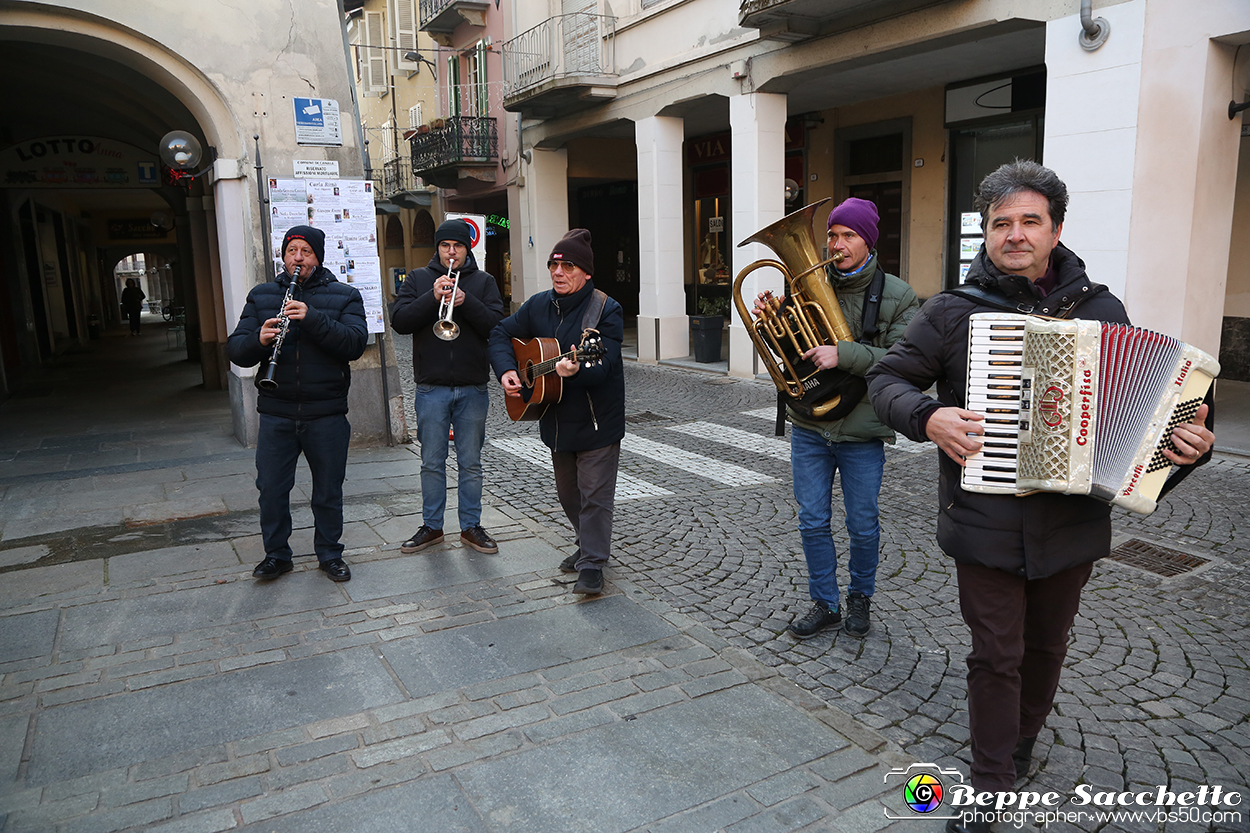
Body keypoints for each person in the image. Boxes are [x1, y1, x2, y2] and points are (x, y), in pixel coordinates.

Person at [865, 161, 1214, 833]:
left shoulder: (1104, 311)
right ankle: (993, 781)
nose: (1015, 234)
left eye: (1030, 221)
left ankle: (1020, 739)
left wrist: (1184, 447)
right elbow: (887, 380)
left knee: (1047, 648)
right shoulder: (951, 313)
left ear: (1056, 229)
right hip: (984, 521)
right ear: (985, 232)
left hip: (1073, 522)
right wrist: (928, 417)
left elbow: (1154, 414)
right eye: (1002, 223)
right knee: (995, 653)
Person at [754, 198, 919, 639]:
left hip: (862, 430)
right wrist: (772, 322)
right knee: (811, 520)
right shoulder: (803, 285)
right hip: (811, 426)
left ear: (868, 240)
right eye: (832, 234)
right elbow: (793, 355)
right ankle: (825, 602)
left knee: (862, 523)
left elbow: (905, 362)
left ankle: (860, 597)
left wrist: (842, 353)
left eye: (848, 235)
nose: (837, 244)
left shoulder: (899, 295)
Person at [227, 225, 368, 583]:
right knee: (271, 489)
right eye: (292, 251)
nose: (298, 258)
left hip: (327, 412)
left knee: (328, 489)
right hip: (277, 411)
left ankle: (330, 554)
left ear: (317, 257)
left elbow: (354, 344)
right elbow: (236, 350)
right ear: (283, 256)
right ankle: (277, 555)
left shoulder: (345, 295)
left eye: (305, 251)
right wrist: (258, 340)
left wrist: (314, 318)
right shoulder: (261, 297)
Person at [488, 229, 624, 596]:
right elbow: (500, 333)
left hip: (597, 420)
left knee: (595, 493)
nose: (558, 272)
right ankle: (586, 542)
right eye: (554, 264)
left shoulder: (605, 309)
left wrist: (577, 370)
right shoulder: (538, 305)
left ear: (586, 272)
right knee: (568, 494)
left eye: (568, 266)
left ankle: (593, 563)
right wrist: (508, 371)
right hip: (556, 420)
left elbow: (605, 364)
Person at [391, 219, 505, 555]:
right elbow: (401, 322)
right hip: (431, 387)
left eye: (457, 246)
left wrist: (466, 301)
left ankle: (471, 526)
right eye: (445, 246)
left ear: (466, 247)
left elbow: (497, 327)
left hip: (473, 387)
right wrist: (432, 297)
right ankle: (432, 526)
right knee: (431, 461)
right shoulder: (418, 280)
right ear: (437, 248)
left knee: (471, 462)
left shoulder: (484, 282)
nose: (451, 252)